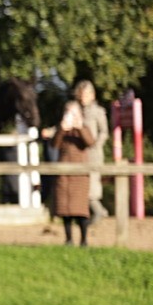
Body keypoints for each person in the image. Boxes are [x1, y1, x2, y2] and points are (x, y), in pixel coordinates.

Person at [50, 100, 96, 246]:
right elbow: (54, 145)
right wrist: (62, 129)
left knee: (80, 210)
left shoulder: (84, 128)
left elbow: (90, 142)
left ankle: (84, 240)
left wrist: (80, 127)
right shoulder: (62, 130)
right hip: (64, 175)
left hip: (79, 176)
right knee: (65, 209)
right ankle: (68, 239)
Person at [74, 80, 109, 223]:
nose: (84, 97)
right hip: (79, 154)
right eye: (82, 94)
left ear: (92, 95)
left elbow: (104, 132)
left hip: (93, 154)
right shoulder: (75, 111)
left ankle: (98, 211)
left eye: (87, 94)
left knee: (93, 184)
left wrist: (96, 145)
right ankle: (95, 212)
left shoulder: (98, 112)